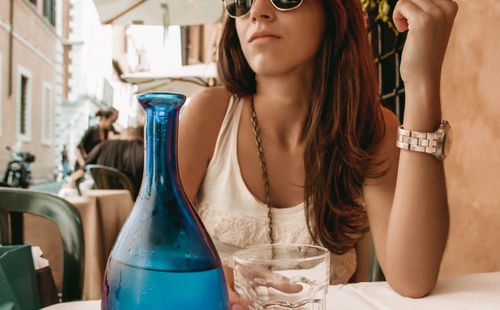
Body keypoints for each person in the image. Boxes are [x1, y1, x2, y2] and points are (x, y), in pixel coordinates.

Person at [178, 0, 457, 307]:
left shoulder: (371, 130)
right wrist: (212, 277)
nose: (256, 12)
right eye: (241, 2)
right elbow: (141, 255)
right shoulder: (208, 116)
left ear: (334, 12)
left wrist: (421, 82)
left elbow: (413, 280)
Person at [85, 125, 145, 193]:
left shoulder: (103, 145)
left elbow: (86, 164)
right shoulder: (144, 153)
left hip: (102, 197)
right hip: (131, 200)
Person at [74, 107, 119, 172]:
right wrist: (83, 166)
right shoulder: (92, 130)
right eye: (112, 121)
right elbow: (78, 149)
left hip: (94, 167)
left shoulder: (107, 132)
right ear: (104, 118)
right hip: (83, 166)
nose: (113, 123)